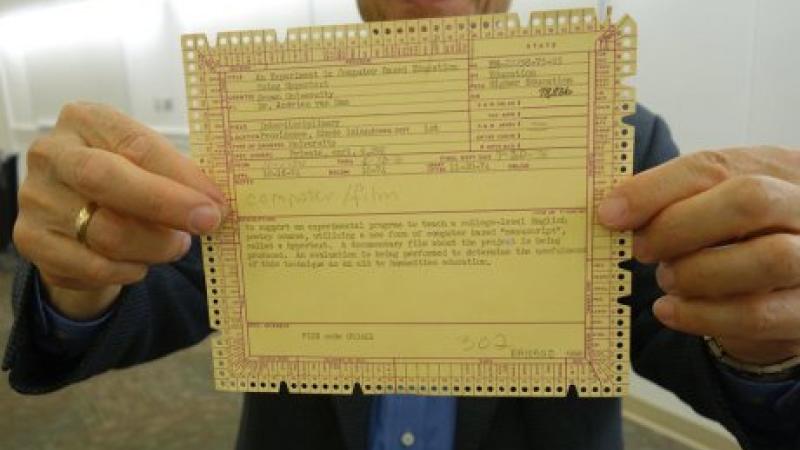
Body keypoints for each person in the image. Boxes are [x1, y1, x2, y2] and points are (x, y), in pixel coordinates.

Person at [4, 0, 800, 449]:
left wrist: (771, 341)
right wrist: (80, 279)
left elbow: (708, 354)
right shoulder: (265, 124)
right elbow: (168, 280)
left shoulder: (621, 139)